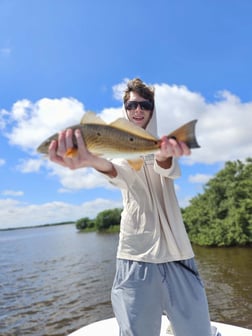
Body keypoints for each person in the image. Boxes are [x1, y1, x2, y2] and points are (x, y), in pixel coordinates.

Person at [48, 78, 214, 336]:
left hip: (178, 252)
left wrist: (162, 153)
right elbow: (116, 171)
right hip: (135, 254)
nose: (138, 110)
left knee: (198, 332)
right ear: (125, 109)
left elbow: (167, 168)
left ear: (152, 109)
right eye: (132, 105)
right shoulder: (117, 151)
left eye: (145, 105)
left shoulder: (164, 146)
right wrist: (93, 160)